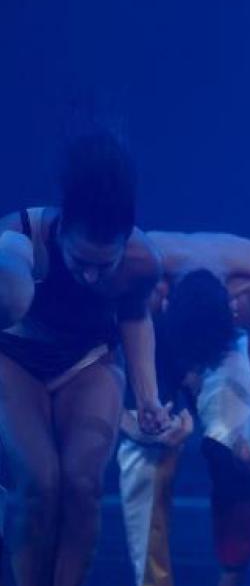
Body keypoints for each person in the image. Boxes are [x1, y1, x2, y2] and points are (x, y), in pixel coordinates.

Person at [0, 130, 168, 585]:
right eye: (80, 262)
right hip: (17, 360)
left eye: (104, 265)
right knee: (41, 483)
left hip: (87, 361)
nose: (92, 276)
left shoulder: (141, 260)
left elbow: (134, 319)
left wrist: (149, 397)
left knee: (82, 484)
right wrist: (12, 278)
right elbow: (9, 271)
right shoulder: (21, 237)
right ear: (61, 229)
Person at [118, 231, 250, 586]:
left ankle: (231, 574)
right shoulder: (135, 281)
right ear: (164, 302)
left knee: (233, 448)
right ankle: (151, 582)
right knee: (144, 453)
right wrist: (134, 424)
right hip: (154, 342)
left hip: (224, 344)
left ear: (236, 310)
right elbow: (95, 379)